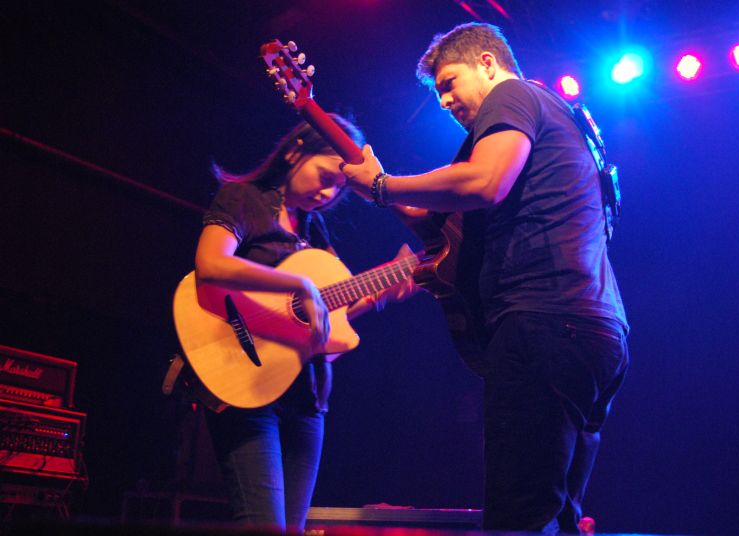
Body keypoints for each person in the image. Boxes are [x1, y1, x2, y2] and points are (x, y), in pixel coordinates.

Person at [341, 23, 630, 533]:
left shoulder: (512, 95)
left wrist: (384, 186)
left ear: (488, 64)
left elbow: (485, 182)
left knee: (516, 515)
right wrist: (383, 192)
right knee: (556, 516)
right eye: (438, 93)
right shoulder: (563, 118)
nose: (445, 100)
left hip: (543, 323)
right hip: (596, 332)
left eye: (450, 82)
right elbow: (450, 224)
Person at [193, 115, 414, 531]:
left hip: (307, 396)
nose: (329, 193)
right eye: (325, 176)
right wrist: (297, 284)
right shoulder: (243, 199)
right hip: (246, 385)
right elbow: (210, 264)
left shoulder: (315, 228)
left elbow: (330, 311)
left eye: (340, 187)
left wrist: (387, 292)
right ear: (295, 152)